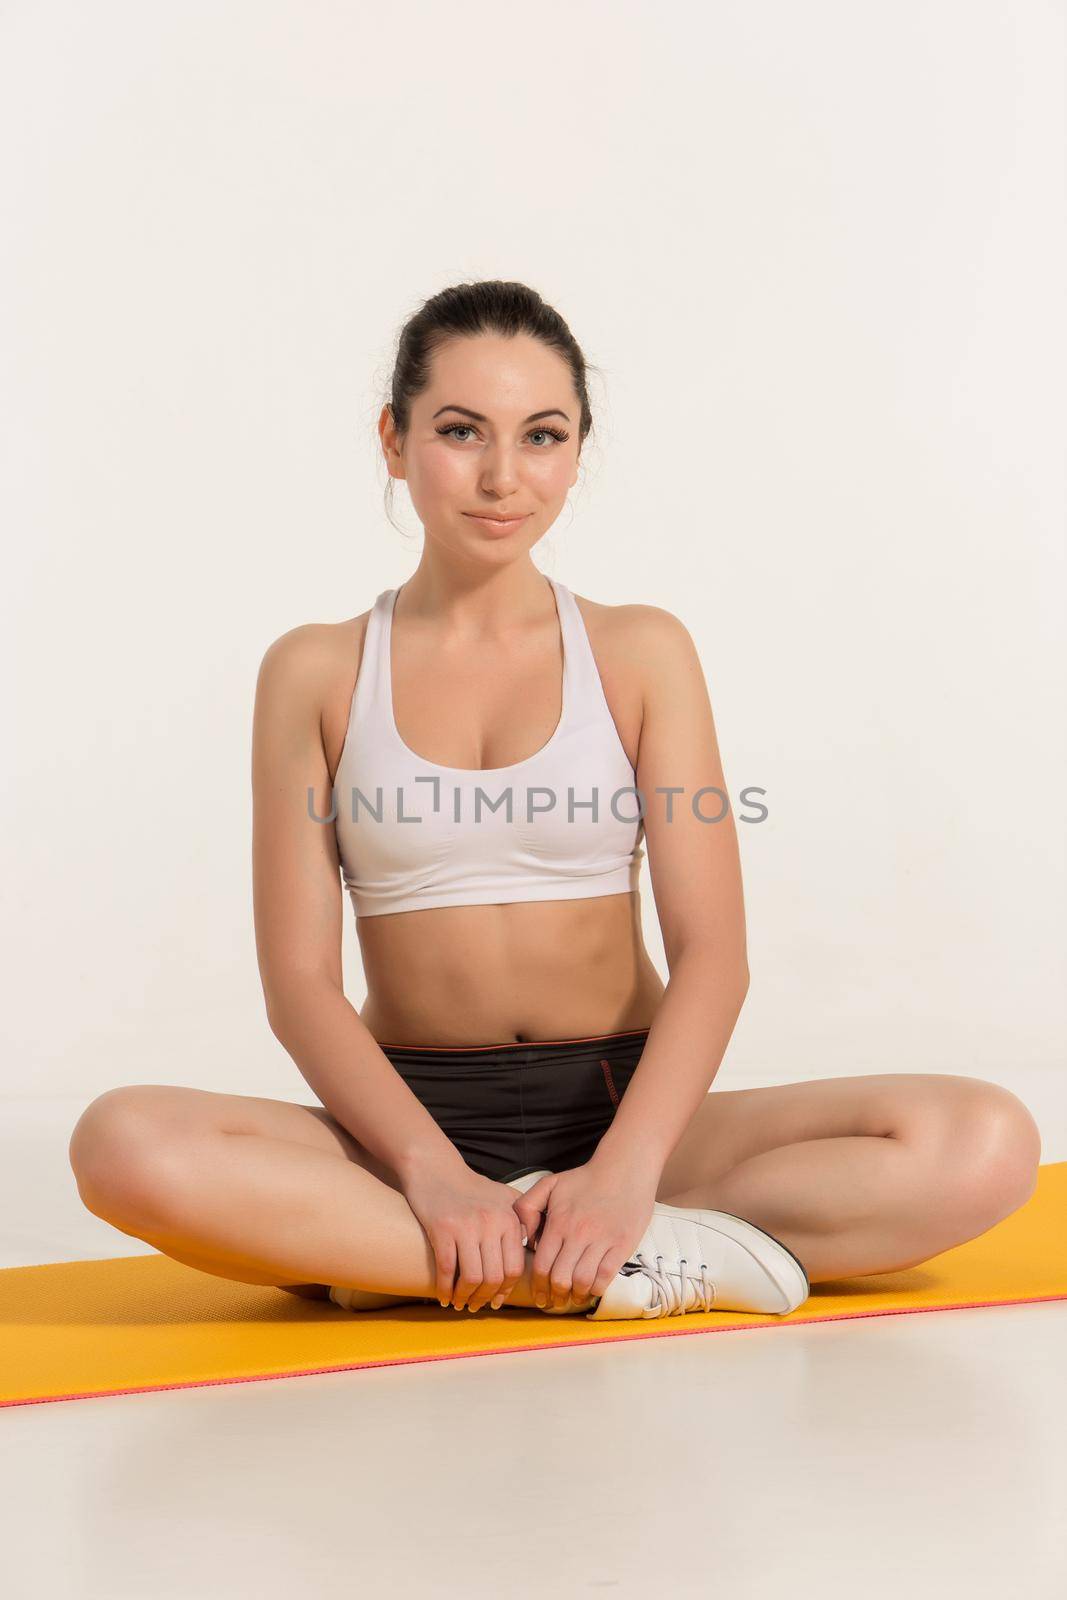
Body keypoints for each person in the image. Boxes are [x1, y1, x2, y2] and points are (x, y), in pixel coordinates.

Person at [68, 280, 1042, 1321]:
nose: (500, 476)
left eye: (541, 436)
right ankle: (616, 1265)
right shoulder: (314, 670)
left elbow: (712, 953)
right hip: (406, 1118)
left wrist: (626, 1171)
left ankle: (451, 1256)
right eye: (458, 431)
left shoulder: (638, 652)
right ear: (392, 440)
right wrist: (431, 1173)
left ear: (578, 450)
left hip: (626, 1107)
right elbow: (300, 982)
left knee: (981, 1139)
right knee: (122, 1145)